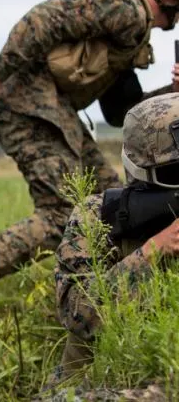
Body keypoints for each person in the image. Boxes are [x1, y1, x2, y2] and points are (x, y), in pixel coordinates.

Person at [0, 0, 179, 308]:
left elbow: (120, 112)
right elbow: (48, 16)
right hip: (27, 108)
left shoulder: (131, 34)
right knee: (64, 214)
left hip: (59, 115)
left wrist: (173, 91)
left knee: (114, 203)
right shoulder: (128, 9)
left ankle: (101, 299)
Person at [53, 92, 179, 382]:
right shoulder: (97, 217)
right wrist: (152, 252)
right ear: (140, 169)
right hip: (100, 376)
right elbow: (77, 314)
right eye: (174, 172)